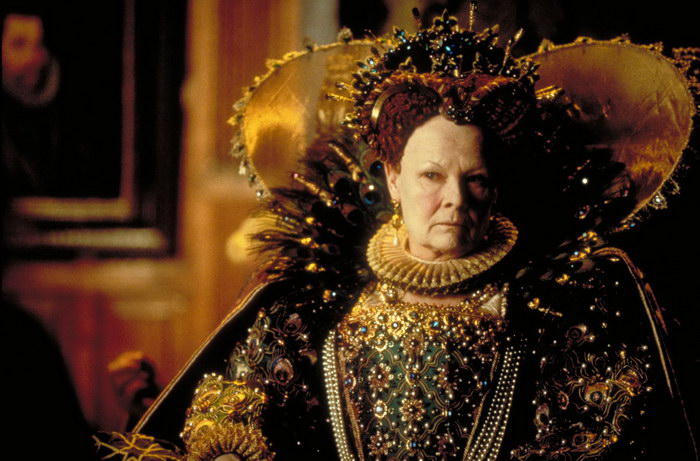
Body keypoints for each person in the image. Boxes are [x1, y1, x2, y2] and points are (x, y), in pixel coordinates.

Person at [96, 11, 698, 461]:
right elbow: (239, 415)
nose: (455, 198)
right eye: (432, 176)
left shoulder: (558, 312)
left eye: (476, 179)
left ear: (497, 186)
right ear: (392, 179)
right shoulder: (313, 307)